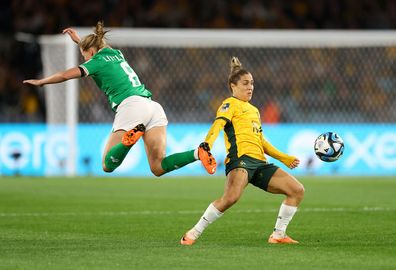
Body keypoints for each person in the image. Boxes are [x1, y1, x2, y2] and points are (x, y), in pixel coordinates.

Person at [23, 21, 216, 176]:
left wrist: (42, 82)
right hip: (152, 106)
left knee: (107, 164)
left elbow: (66, 75)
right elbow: (96, 47)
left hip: (131, 107)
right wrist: (79, 41)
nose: (85, 60)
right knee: (158, 167)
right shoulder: (116, 54)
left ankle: (128, 140)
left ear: (90, 53)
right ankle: (197, 153)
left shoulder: (95, 62)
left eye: (84, 55)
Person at [180, 57, 304, 245]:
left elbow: (261, 141)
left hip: (259, 163)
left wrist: (284, 158)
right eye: (245, 83)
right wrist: (207, 144)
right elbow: (219, 123)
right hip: (240, 160)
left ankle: (278, 235)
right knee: (231, 198)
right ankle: (192, 234)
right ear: (233, 86)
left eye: (252, 83)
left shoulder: (254, 110)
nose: (250, 87)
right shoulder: (229, 104)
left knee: (297, 190)